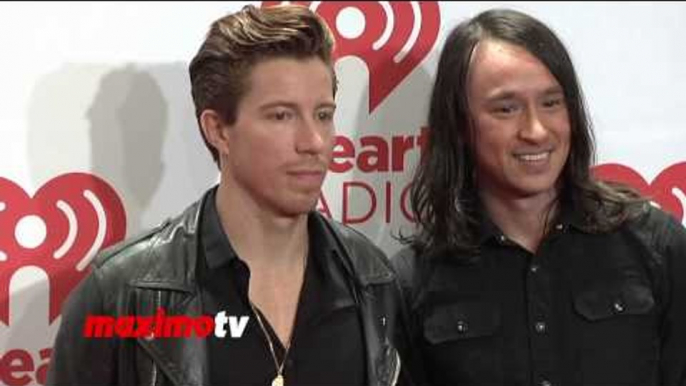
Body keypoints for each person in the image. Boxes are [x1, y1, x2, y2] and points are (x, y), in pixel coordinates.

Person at [47, 5, 410, 386]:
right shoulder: (124, 294)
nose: (315, 142)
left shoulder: (372, 278)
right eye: (281, 116)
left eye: (322, 115)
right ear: (218, 130)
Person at [393, 8, 686, 386]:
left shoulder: (658, 248)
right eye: (506, 108)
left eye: (551, 103)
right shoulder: (411, 283)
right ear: (460, 125)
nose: (535, 130)